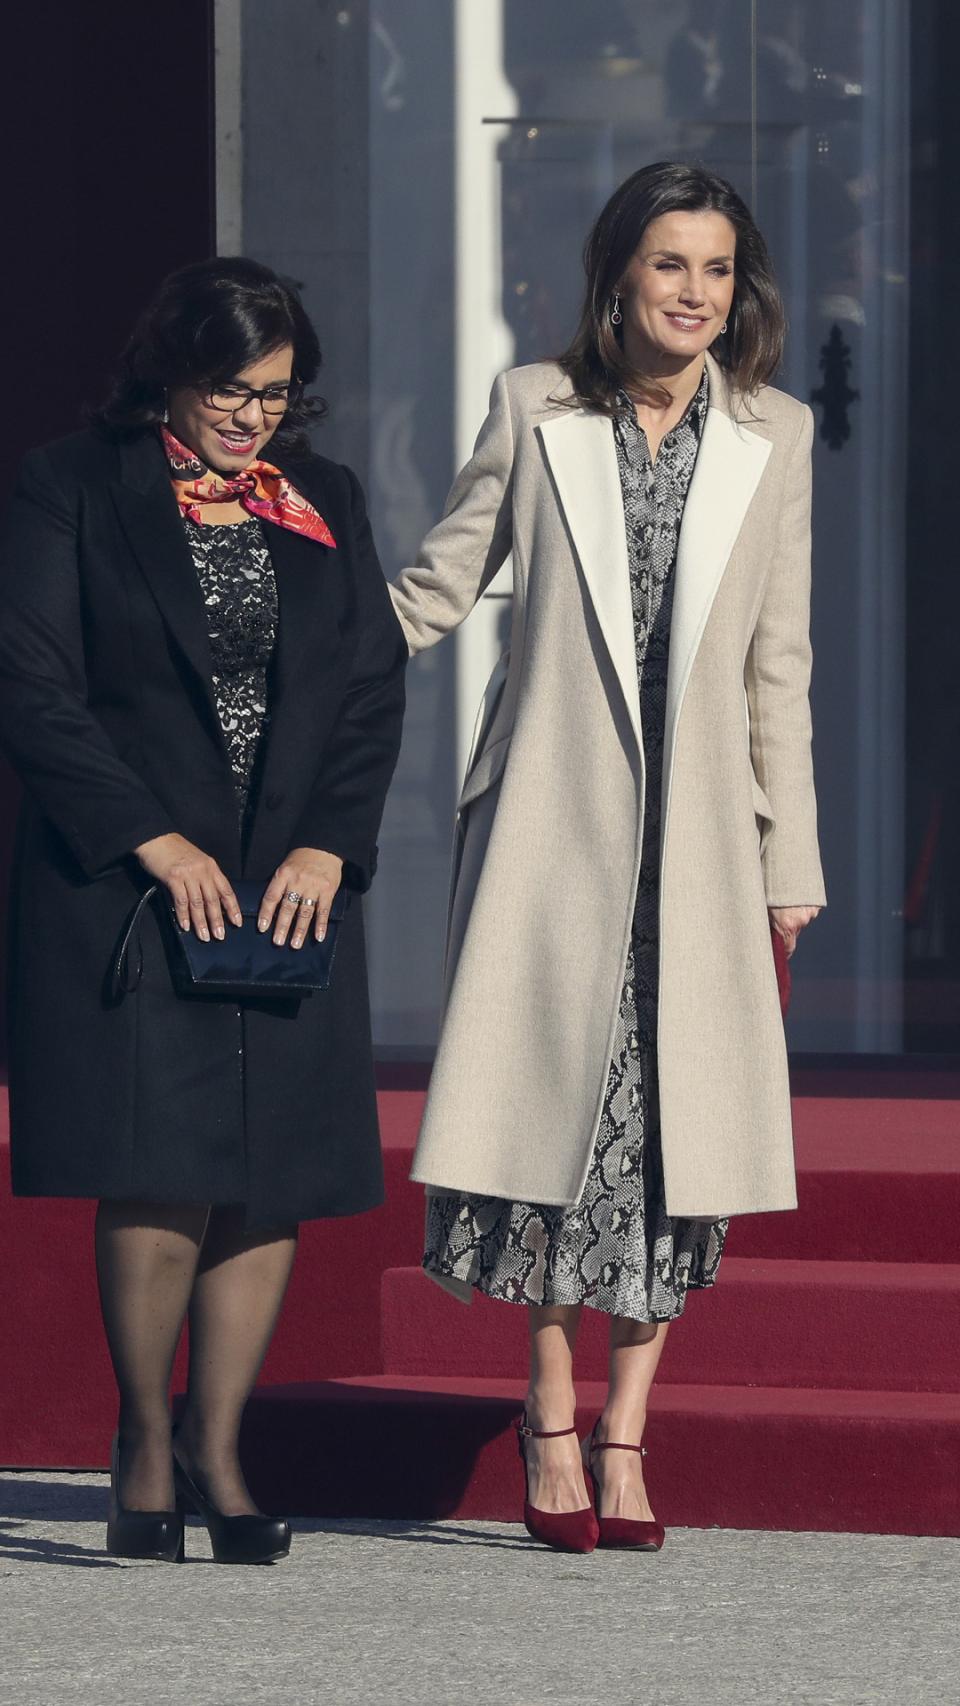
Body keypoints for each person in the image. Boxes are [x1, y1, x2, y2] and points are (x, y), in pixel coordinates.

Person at [390, 162, 824, 1552]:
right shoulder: (537, 407)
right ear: (616, 281)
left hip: (702, 848)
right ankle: (552, 1398)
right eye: (667, 267)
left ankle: (629, 1425)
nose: (693, 293)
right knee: (562, 1133)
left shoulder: (778, 433)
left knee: (678, 1141)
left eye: (714, 269)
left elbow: (779, 669)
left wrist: (791, 858)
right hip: (552, 830)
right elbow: (441, 585)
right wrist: (275, 641)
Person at [0, 258, 406, 1563]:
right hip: (132, 890)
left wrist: (333, 846)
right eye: (231, 389)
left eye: (277, 395)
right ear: (170, 368)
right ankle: (142, 1436)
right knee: (162, 1165)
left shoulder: (322, 498)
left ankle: (220, 1450)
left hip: (286, 896)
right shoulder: (69, 486)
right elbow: (34, 685)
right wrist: (152, 837)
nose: (252, 418)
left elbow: (368, 689)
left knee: (266, 1175)